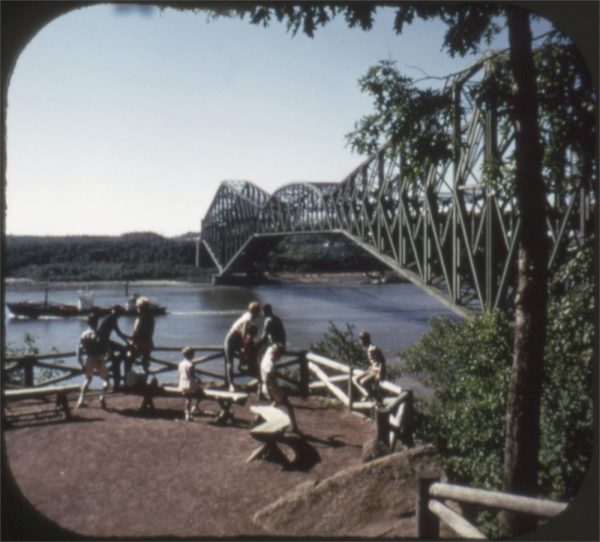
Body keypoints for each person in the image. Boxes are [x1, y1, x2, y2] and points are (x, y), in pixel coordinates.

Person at [260, 343, 299, 433]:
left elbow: (272, 346)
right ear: (277, 354)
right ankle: (295, 427)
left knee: (276, 402)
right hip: (272, 387)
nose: (279, 358)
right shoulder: (270, 364)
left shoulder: (267, 354)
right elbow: (270, 376)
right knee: (289, 406)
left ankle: (261, 418)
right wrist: (268, 391)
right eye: (279, 356)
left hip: (267, 385)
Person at [223, 301, 261, 391]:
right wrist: (244, 345)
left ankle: (242, 368)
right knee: (229, 363)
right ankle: (231, 385)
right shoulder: (249, 317)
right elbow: (243, 330)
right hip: (231, 339)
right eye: (258, 311)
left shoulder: (247, 314)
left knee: (243, 355)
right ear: (256, 311)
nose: (259, 313)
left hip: (235, 338)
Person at [76, 311, 109, 409]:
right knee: (106, 379)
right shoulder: (100, 334)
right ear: (97, 322)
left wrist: (81, 364)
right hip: (99, 358)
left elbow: (78, 351)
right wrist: (106, 357)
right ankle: (102, 396)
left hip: (89, 358)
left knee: (87, 379)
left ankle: (81, 400)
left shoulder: (83, 335)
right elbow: (106, 348)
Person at [96, 304, 129, 389]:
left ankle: (114, 365)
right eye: (119, 314)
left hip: (103, 342)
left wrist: (128, 339)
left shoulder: (108, 317)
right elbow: (118, 333)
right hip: (103, 343)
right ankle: (114, 368)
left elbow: (118, 332)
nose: (119, 316)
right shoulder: (112, 318)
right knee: (122, 351)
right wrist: (128, 341)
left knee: (119, 355)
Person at [124, 296, 155, 376]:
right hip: (148, 343)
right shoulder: (151, 318)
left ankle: (127, 379)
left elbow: (137, 332)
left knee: (128, 359)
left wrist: (131, 340)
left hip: (139, 343)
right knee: (145, 363)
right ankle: (145, 379)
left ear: (140, 307)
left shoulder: (140, 318)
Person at [356, 331, 387, 405]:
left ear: (364, 340)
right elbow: (373, 362)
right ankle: (368, 394)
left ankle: (372, 396)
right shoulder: (369, 348)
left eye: (360, 340)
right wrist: (369, 369)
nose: (359, 342)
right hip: (372, 369)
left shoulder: (373, 348)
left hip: (377, 371)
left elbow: (382, 361)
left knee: (363, 382)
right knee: (356, 379)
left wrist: (379, 374)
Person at [178, 347, 203, 421]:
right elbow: (193, 375)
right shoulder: (191, 364)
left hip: (182, 384)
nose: (193, 355)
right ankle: (195, 407)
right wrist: (198, 379)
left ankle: (187, 414)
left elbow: (180, 374)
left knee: (188, 398)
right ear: (190, 355)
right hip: (190, 384)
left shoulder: (180, 364)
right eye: (193, 354)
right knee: (201, 394)